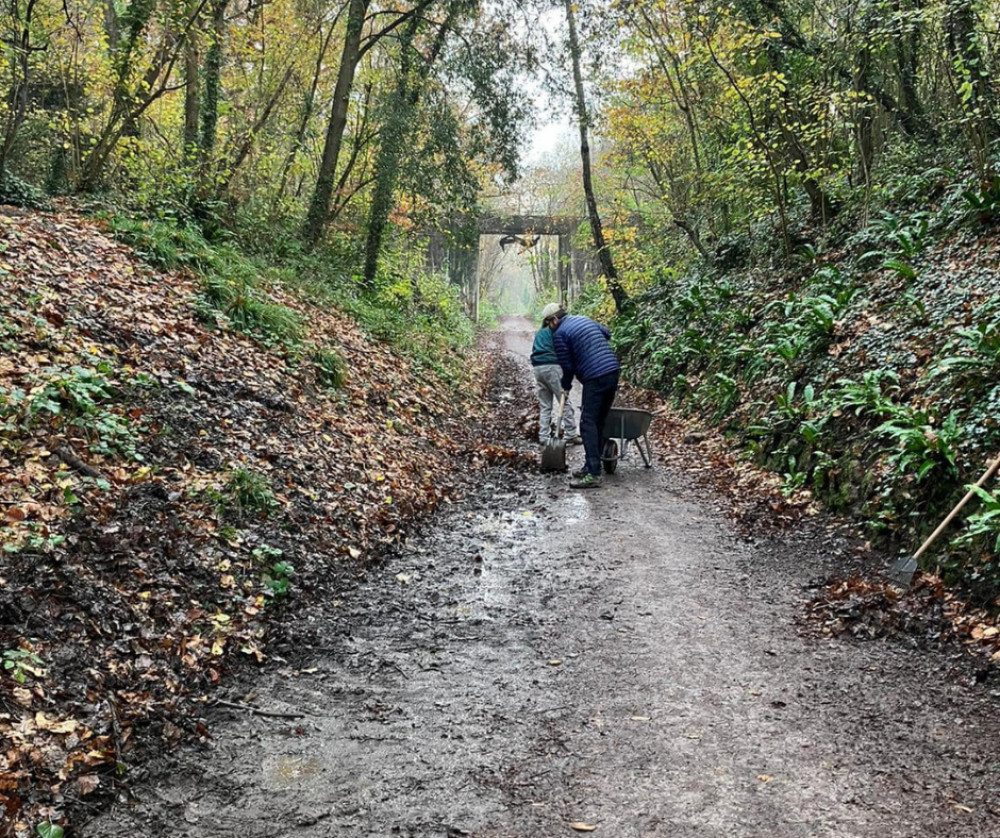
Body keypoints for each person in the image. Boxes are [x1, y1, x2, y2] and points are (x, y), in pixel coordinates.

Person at [549, 306, 620, 489]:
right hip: (612, 371)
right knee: (599, 420)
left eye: (549, 323)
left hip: (595, 376)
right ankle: (590, 466)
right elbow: (607, 333)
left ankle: (594, 473)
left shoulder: (559, 334)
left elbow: (567, 367)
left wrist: (565, 387)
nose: (549, 327)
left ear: (554, 320)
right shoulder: (583, 319)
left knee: (587, 422)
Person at [532, 304, 582, 445]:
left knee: (545, 404)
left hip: (538, 369)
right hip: (552, 367)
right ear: (553, 319)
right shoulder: (558, 332)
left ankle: (543, 436)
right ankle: (571, 433)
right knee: (563, 401)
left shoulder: (540, 333)